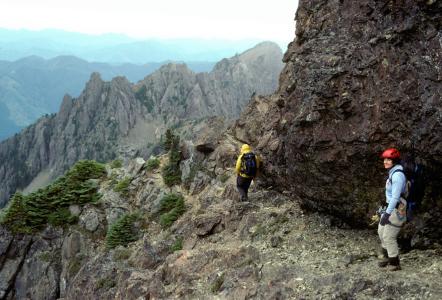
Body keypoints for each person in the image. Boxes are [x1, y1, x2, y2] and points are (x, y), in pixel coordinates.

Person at [378, 147, 407, 271]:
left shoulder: (397, 176)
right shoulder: (392, 173)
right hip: (389, 207)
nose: (385, 161)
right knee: (381, 231)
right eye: (385, 159)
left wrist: (387, 214)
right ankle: (386, 257)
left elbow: (395, 198)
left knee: (389, 236)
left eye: (389, 159)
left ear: (394, 161)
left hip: (396, 210)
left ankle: (394, 263)